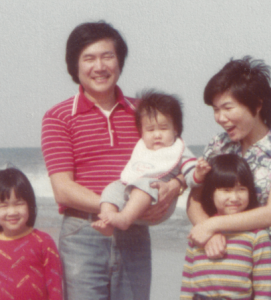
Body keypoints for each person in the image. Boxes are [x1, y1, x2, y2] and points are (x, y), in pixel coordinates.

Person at [41, 21, 183, 300]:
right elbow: (62, 188)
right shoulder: (58, 117)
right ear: (75, 65)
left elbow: (175, 159)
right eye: (89, 58)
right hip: (83, 233)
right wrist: (116, 211)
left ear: (119, 61)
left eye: (108, 56)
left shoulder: (145, 113)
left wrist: (174, 187)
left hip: (135, 232)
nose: (100, 66)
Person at [186, 57, 271, 300]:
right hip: (211, 263)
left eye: (227, 108)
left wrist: (213, 225)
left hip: (259, 268)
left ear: (257, 104)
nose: (220, 117)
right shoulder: (218, 145)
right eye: (216, 110)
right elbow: (195, 200)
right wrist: (209, 233)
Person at [92, 90, 210, 236]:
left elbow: (190, 175)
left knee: (145, 185)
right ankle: (107, 221)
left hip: (157, 199)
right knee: (111, 188)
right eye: (150, 129)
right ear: (141, 132)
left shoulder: (179, 150)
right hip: (132, 194)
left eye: (163, 128)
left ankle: (124, 219)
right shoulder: (142, 148)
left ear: (175, 130)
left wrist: (198, 173)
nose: (157, 135)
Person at [181, 154, 271, 300]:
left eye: (241, 189)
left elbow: (264, 288)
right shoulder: (201, 231)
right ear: (211, 194)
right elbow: (187, 280)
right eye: (226, 190)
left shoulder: (257, 235)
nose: (235, 198)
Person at [0, 167, 63, 300]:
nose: (12, 212)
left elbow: (55, 289)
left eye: (19, 204)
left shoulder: (43, 242)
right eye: (3, 206)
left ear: (30, 205)